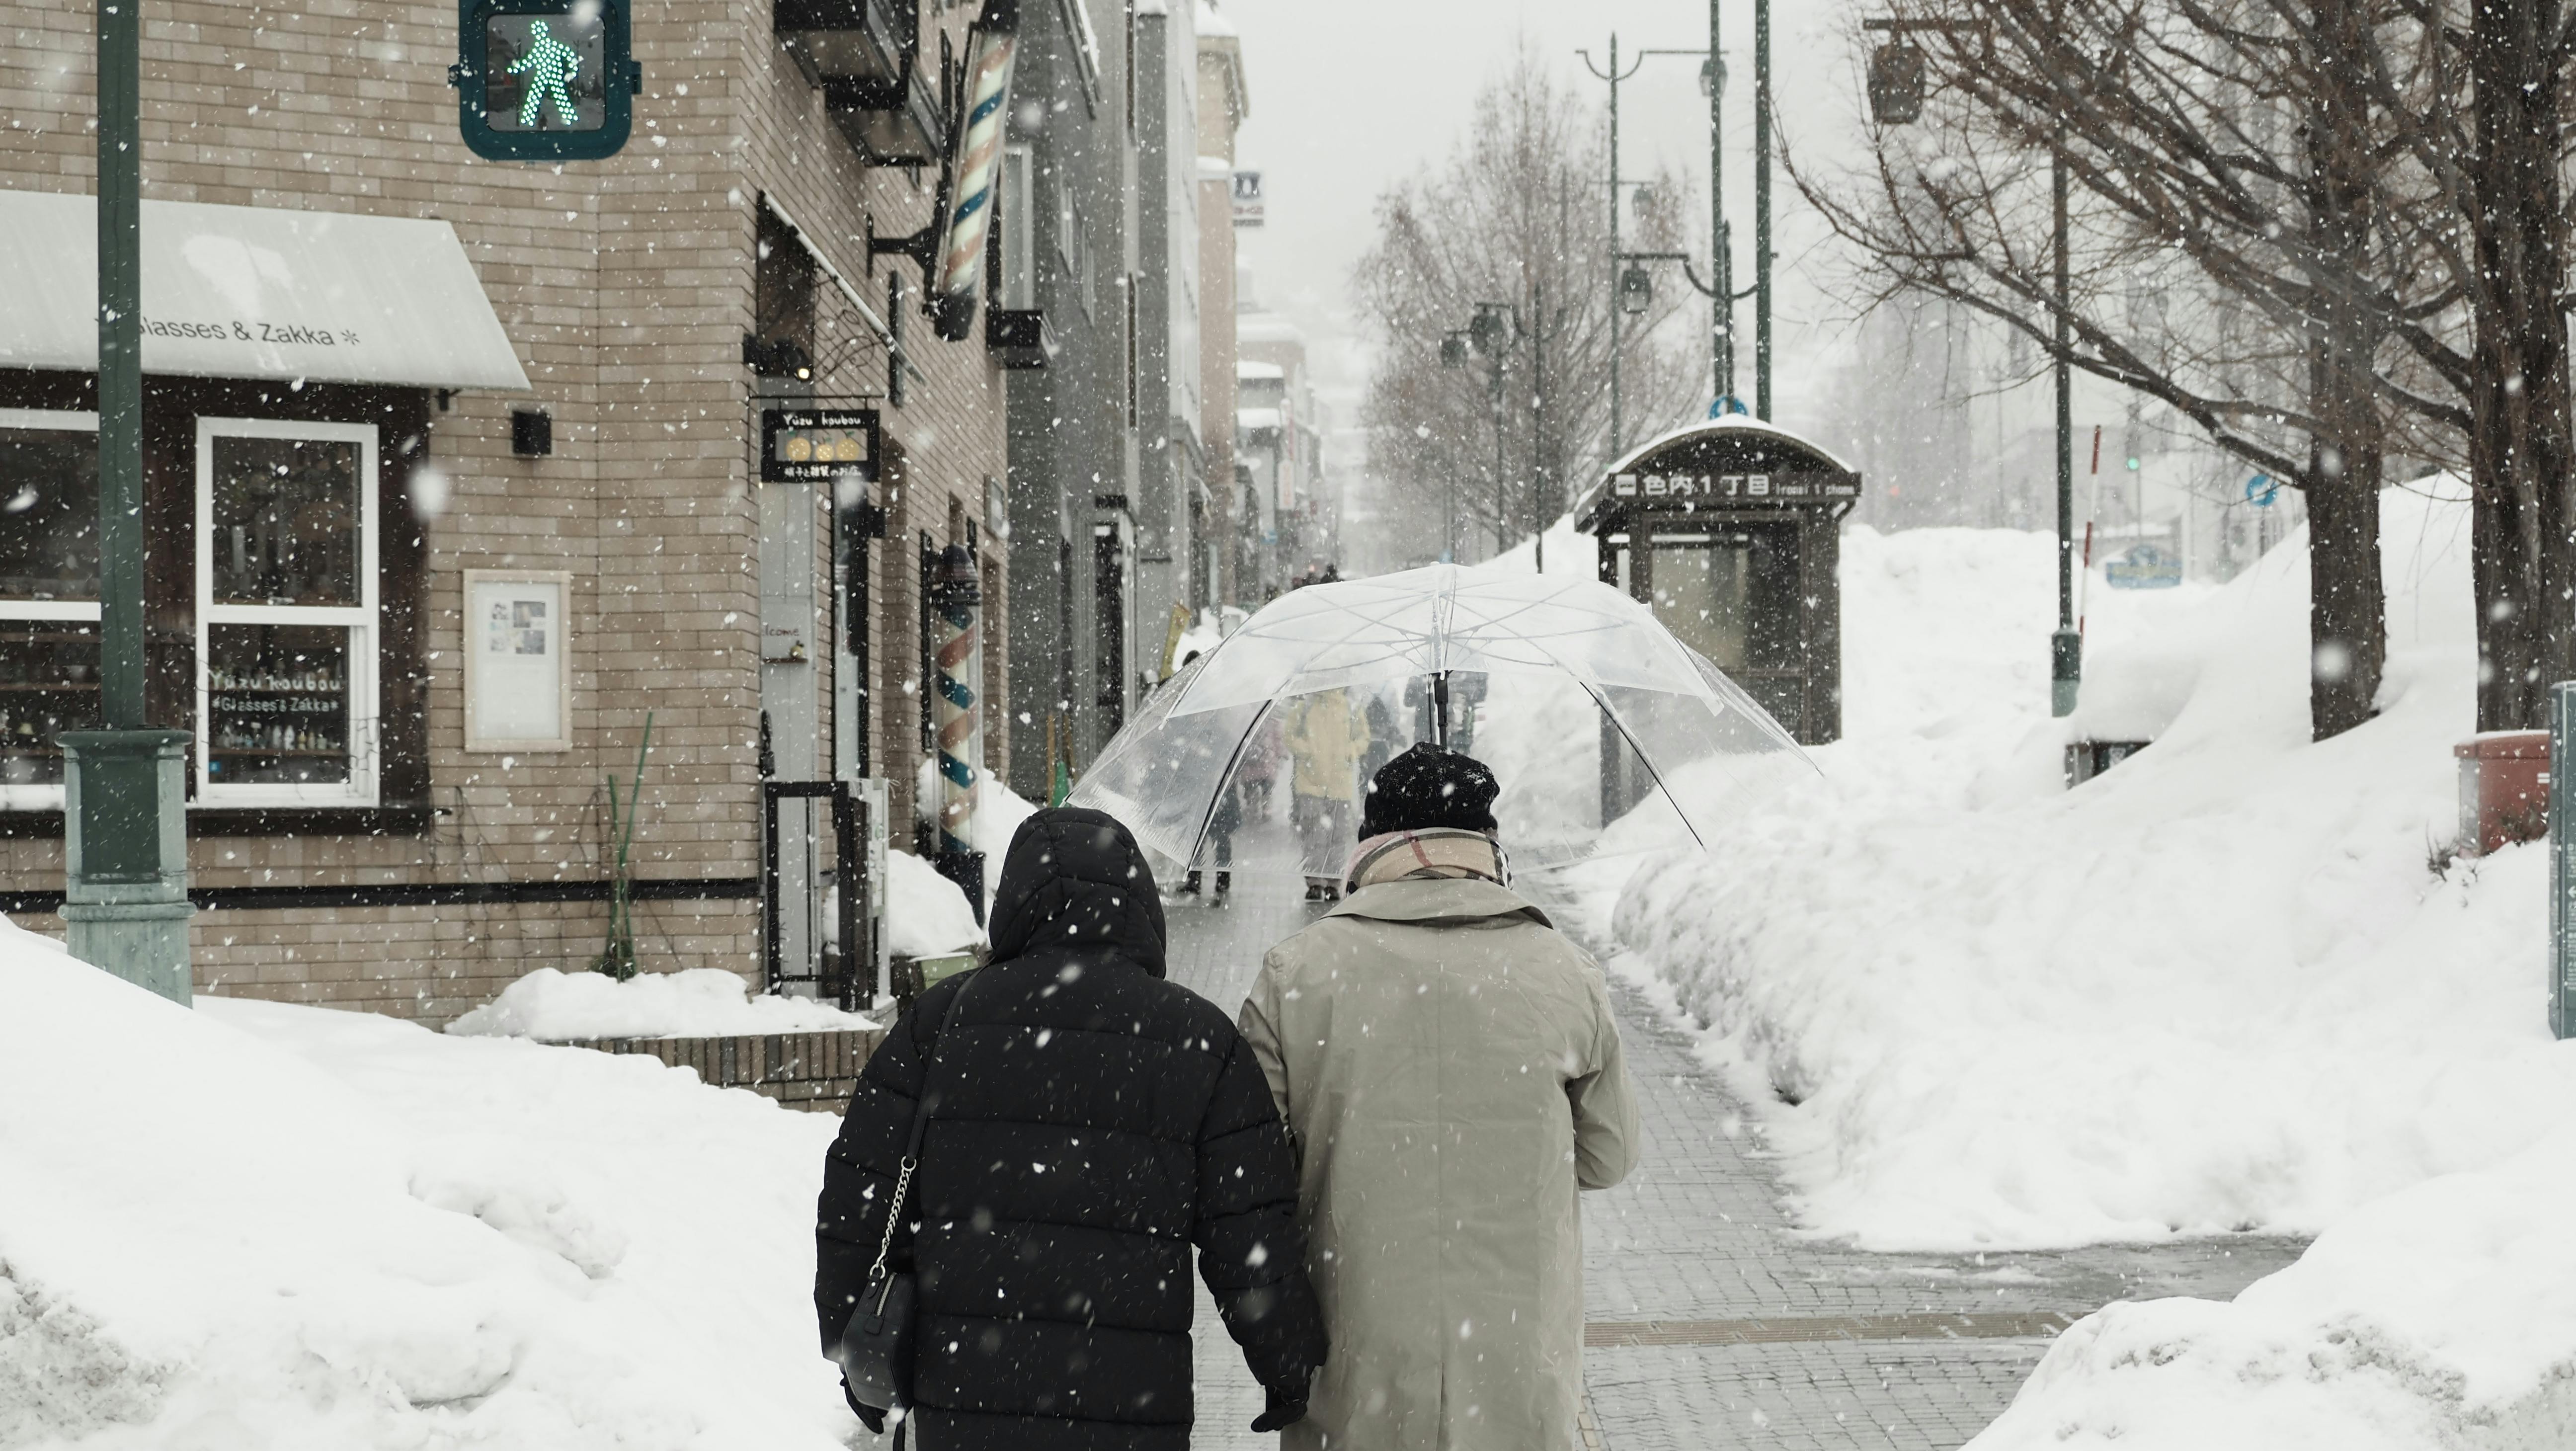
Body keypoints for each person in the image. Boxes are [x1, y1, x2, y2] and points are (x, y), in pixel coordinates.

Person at [816, 807, 1327, 1450]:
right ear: (1140, 902)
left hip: (966, 1393)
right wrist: (1284, 1360)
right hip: (1131, 1402)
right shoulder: (1199, 1041)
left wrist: (850, 1344)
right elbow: (1250, 1232)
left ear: (1017, 905)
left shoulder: (941, 1025)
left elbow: (858, 1199)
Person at [1238, 744, 1640, 1451]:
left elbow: (1249, 1170)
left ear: (1372, 841)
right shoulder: (1563, 971)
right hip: (1517, 1355)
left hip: (1355, 1347)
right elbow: (1610, 1157)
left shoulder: (1297, 973)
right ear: (1487, 842)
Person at [1281, 690, 1363, 900]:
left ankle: (1334, 881)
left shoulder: (1351, 707)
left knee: (1337, 836)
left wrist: (1350, 751)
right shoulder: (1305, 707)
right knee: (1313, 835)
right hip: (1310, 783)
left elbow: (1363, 738)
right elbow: (1289, 735)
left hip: (1340, 784)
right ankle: (1315, 881)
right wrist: (1306, 750)